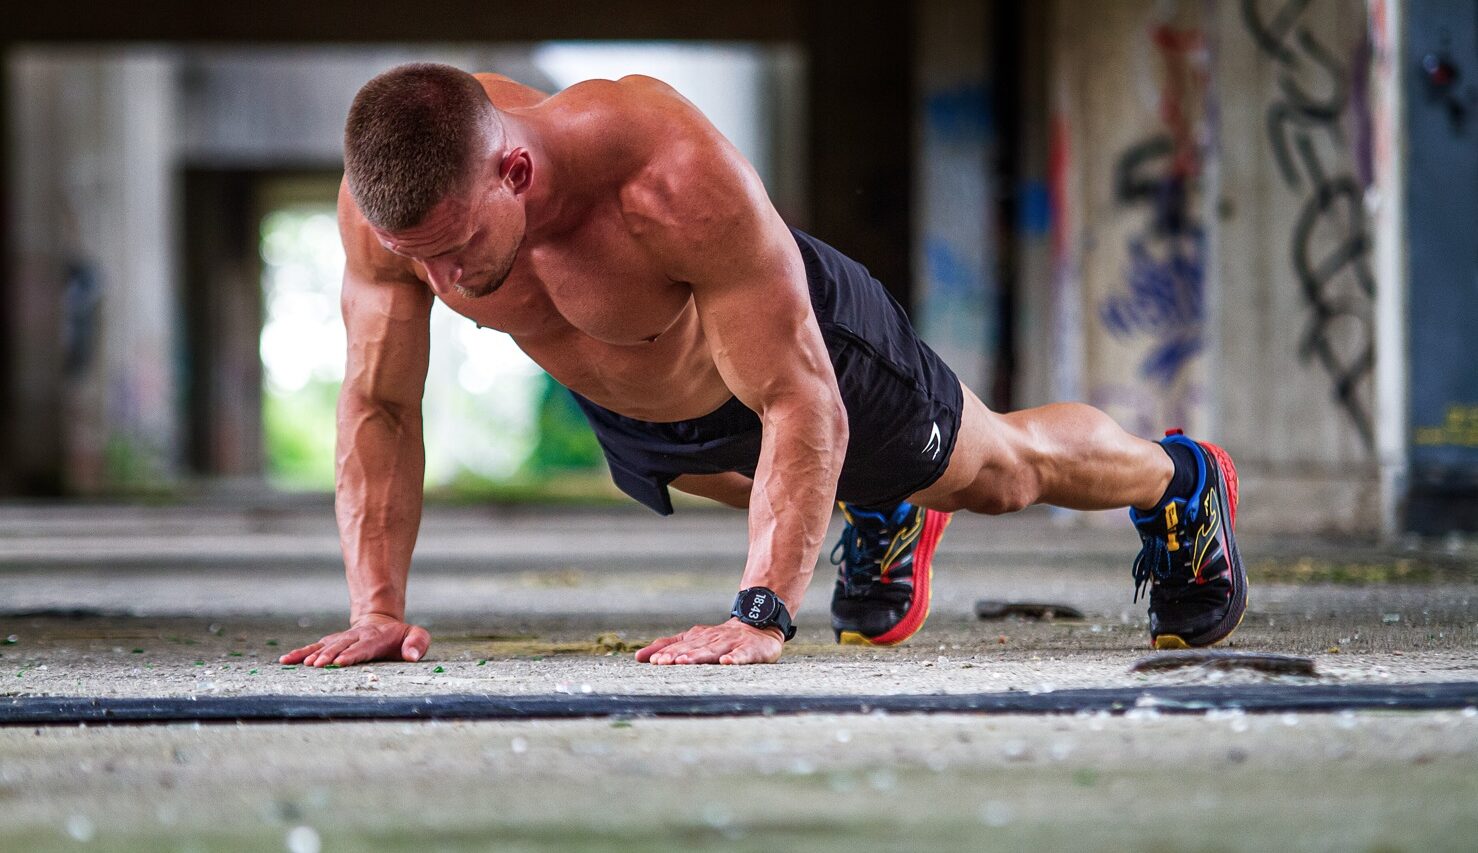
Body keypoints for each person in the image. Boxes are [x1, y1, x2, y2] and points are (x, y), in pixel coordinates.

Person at [281, 63, 1246, 669]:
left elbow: (797, 395)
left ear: (516, 173)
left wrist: (761, 613)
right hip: (653, 404)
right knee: (749, 477)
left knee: (998, 474)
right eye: (417, 258)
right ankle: (881, 511)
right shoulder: (397, 213)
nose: (443, 283)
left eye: (454, 250)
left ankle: (1179, 481)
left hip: (801, 350)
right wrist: (377, 608)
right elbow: (380, 406)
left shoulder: (664, 174)